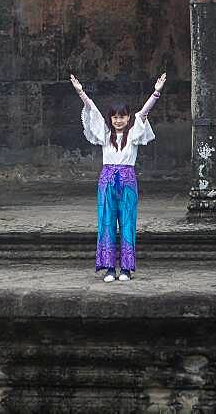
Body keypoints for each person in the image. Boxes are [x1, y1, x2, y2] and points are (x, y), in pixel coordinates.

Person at [70, 72, 166, 283]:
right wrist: (81, 92)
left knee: (128, 221)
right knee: (106, 222)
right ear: (110, 119)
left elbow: (144, 113)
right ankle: (109, 268)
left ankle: (126, 268)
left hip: (127, 179)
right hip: (107, 180)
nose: (118, 120)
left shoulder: (133, 134)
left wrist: (156, 92)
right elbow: (92, 110)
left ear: (127, 117)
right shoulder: (105, 135)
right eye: (115, 117)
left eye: (122, 116)